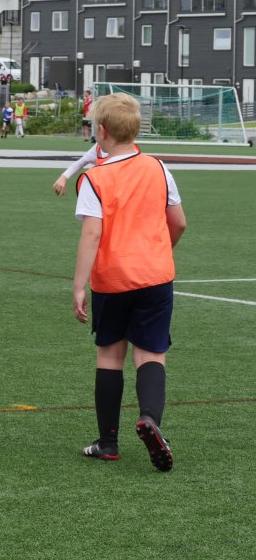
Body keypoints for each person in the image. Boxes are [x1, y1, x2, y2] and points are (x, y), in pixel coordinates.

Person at [72, 93, 186, 471]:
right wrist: (160, 250)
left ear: (101, 132)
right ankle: (150, 418)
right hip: (155, 276)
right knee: (151, 354)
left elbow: (92, 234)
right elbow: (179, 222)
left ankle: (107, 443)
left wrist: (78, 285)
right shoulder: (158, 167)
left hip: (113, 279)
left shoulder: (95, 178)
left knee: (110, 356)